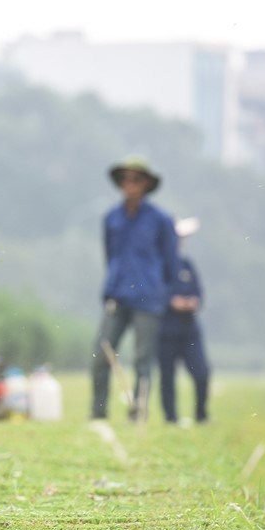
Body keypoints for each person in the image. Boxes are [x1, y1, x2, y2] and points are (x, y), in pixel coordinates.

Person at [90, 157, 178, 422]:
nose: (130, 184)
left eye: (136, 179)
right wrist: (113, 283)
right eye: (126, 179)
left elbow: (171, 261)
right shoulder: (111, 218)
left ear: (146, 184)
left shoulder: (161, 220)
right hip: (117, 294)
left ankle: (138, 411)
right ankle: (98, 411)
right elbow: (110, 256)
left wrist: (163, 294)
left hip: (148, 298)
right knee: (100, 353)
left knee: (142, 360)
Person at [157, 217, 211, 424]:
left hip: (189, 329)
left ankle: (201, 415)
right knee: (167, 377)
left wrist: (192, 302)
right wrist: (171, 301)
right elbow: (154, 294)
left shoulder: (187, 265)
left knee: (201, 372)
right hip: (165, 330)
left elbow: (199, 293)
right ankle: (170, 418)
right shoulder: (156, 267)